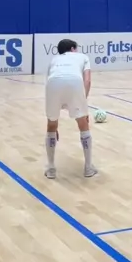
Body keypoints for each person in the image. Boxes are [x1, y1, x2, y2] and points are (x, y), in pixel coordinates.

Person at [44, 38, 95, 179]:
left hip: (53, 84)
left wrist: (54, 126)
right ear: (73, 49)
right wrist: (83, 103)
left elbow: (50, 80)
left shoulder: (54, 60)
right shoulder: (83, 57)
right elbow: (87, 80)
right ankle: (88, 168)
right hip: (74, 82)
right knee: (83, 124)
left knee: (51, 125)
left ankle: (51, 168)